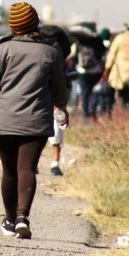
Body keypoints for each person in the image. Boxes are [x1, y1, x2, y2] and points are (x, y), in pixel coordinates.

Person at [0, 2, 69, 239]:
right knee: (27, 168)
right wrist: (61, 109)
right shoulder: (50, 52)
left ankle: (9, 221)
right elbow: (60, 90)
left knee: (9, 171)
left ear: (13, 26)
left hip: (4, 121)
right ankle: (22, 217)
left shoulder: (2, 49)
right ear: (34, 23)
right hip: (36, 122)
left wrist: (5, 90)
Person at [39, 24, 73, 176]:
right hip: (55, 93)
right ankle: (55, 163)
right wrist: (61, 106)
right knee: (57, 125)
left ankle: (33, 162)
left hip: (37, 92)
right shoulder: (58, 49)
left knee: (36, 127)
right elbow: (60, 77)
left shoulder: (37, 46)